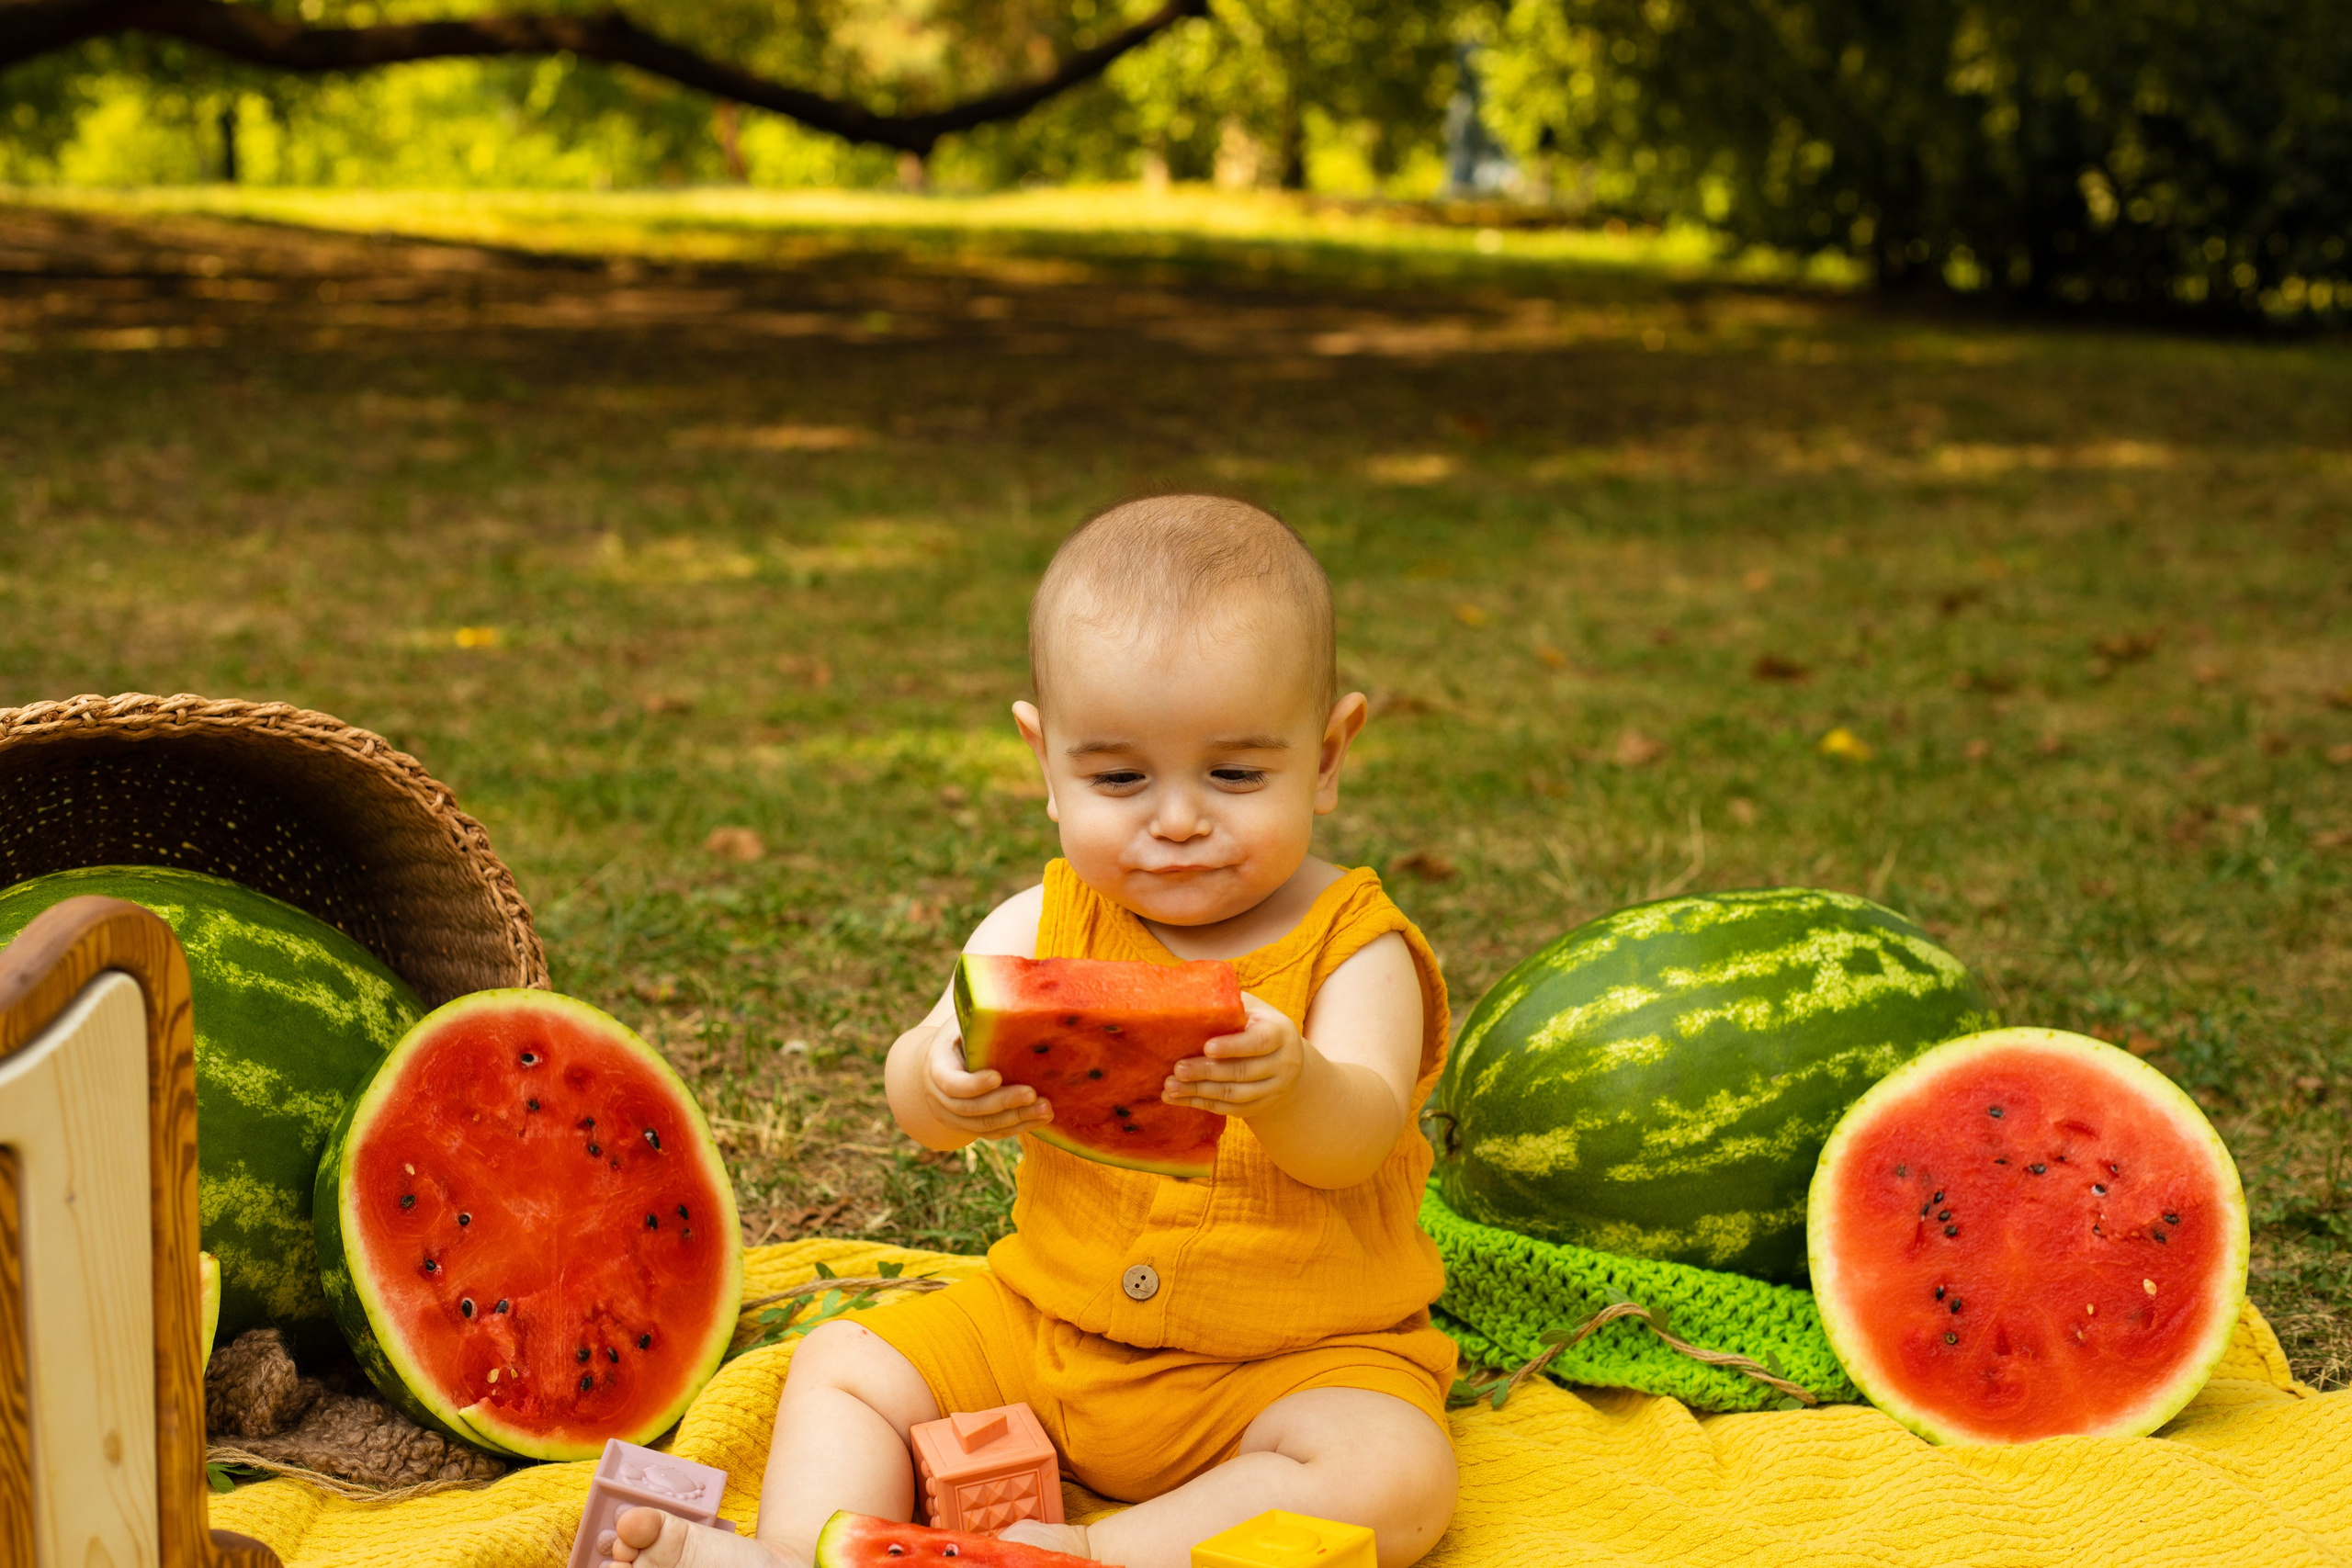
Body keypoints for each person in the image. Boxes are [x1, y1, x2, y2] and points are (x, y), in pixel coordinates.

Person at [605, 495, 1457, 1568]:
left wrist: (1293, 1086)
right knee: (842, 1364)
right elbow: (914, 1093)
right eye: (1118, 777)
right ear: (1043, 761)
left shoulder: (1357, 946)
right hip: (1043, 1334)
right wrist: (942, 1077)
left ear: (1328, 755)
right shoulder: (1033, 926)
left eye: (1236, 773)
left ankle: (1086, 1557)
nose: (1180, 819)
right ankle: (798, 1553)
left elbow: (1359, 1138)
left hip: (1289, 1369)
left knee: (1398, 1472)